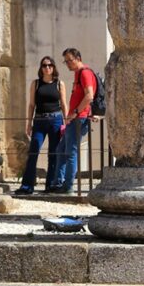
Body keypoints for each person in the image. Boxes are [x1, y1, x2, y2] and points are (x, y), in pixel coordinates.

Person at [14, 56, 68, 195]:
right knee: (34, 151)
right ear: (41, 68)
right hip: (39, 121)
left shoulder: (59, 83)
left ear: (54, 67)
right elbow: (32, 104)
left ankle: (50, 185)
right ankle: (27, 185)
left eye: (50, 65)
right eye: (44, 65)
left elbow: (63, 104)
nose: (47, 68)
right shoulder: (36, 84)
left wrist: (66, 121)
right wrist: (29, 123)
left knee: (53, 153)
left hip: (56, 120)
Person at [49, 47, 97, 194]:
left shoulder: (85, 73)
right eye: (66, 61)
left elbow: (89, 96)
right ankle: (59, 183)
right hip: (75, 119)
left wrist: (75, 112)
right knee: (61, 150)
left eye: (70, 60)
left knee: (70, 153)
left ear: (78, 58)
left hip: (79, 119)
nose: (68, 64)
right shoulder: (78, 74)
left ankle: (68, 186)